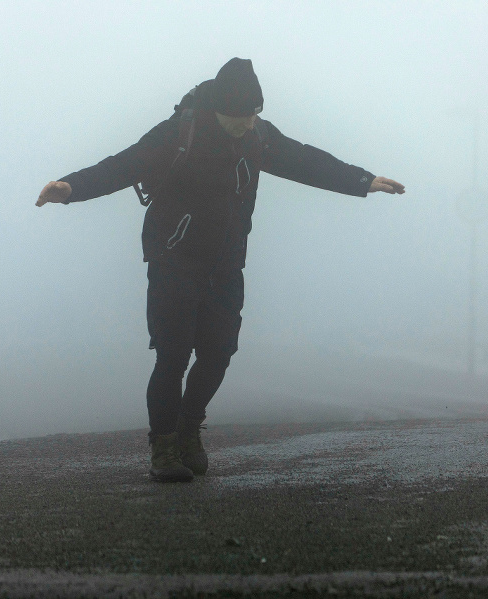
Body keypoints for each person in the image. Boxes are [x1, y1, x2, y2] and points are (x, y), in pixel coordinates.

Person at [36, 58, 405, 482]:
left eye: (255, 115)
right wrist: (70, 188)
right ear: (219, 111)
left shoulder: (256, 135)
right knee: (173, 355)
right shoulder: (180, 132)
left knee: (219, 352)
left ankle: (190, 428)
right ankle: (164, 447)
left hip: (226, 261)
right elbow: (124, 164)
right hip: (173, 257)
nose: (249, 125)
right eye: (241, 117)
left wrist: (363, 180)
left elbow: (304, 161)